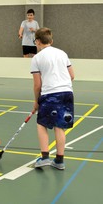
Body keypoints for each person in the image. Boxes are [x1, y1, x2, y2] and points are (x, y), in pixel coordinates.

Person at [30, 27, 74, 170]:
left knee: (42, 124)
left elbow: (37, 85)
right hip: (67, 93)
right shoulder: (62, 53)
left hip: (50, 94)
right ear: (51, 40)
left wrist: (36, 101)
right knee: (59, 126)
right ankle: (59, 161)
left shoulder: (37, 58)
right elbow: (72, 76)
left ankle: (44, 158)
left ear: (37, 41)